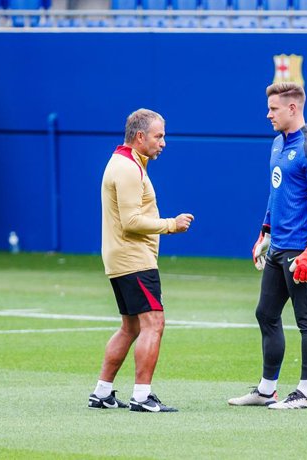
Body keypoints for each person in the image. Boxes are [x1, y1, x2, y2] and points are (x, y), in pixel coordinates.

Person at [228, 82, 307, 410]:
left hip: (301, 250)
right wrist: (265, 232)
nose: (267, 114)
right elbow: (277, 192)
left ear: (292, 109)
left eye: (273, 109)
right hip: (279, 246)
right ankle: (267, 389)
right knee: (266, 313)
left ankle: (305, 393)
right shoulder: (277, 144)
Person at [88, 108, 194, 413]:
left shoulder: (127, 163)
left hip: (122, 258)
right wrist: (171, 224)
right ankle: (142, 396)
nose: (163, 142)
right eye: (158, 136)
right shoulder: (127, 169)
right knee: (154, 323)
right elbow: (131, 221)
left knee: (130, 327)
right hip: (134, 259)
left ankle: (102, 392)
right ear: (140, 136)